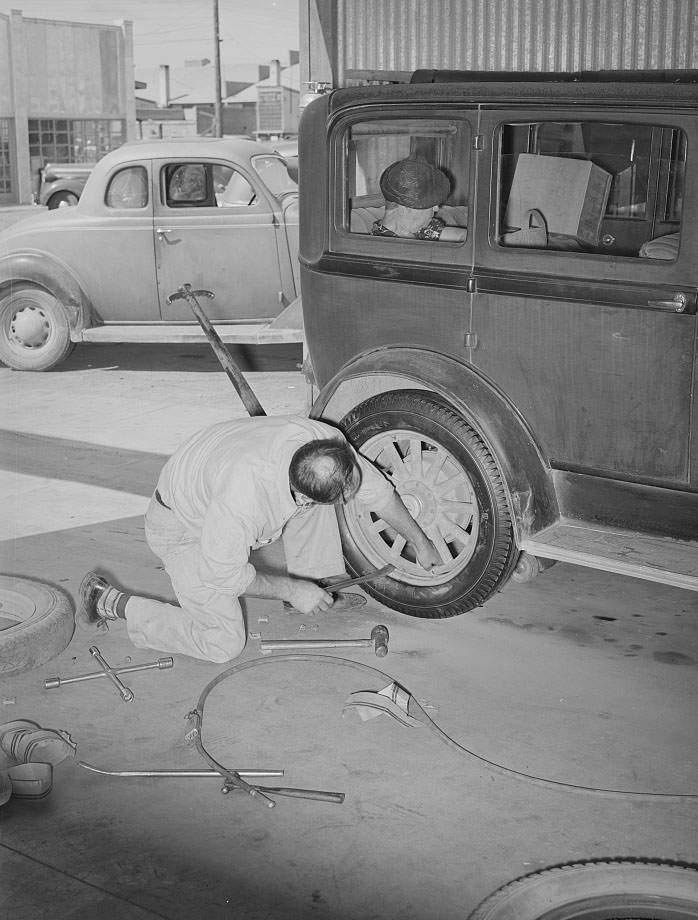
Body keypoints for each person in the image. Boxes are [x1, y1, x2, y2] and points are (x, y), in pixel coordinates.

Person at [78, 415, 441, 664]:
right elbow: (225, 576)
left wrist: (421, 542)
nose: (351, 496)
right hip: (183, 529)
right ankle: (110, 601)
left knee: (320, 511)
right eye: (343, 495)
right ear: (302, 497)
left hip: (212, 470)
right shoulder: (241, 504)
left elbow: (377, 493)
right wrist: (289, 589)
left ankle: (313, 581)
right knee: (224, 643)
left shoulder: (324, 448)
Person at [372, 157, 467, 242]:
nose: (436, 209)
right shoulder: (382, 246)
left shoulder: (421, 230)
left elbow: (464, 238)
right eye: (430, 203)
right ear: (406, 205)